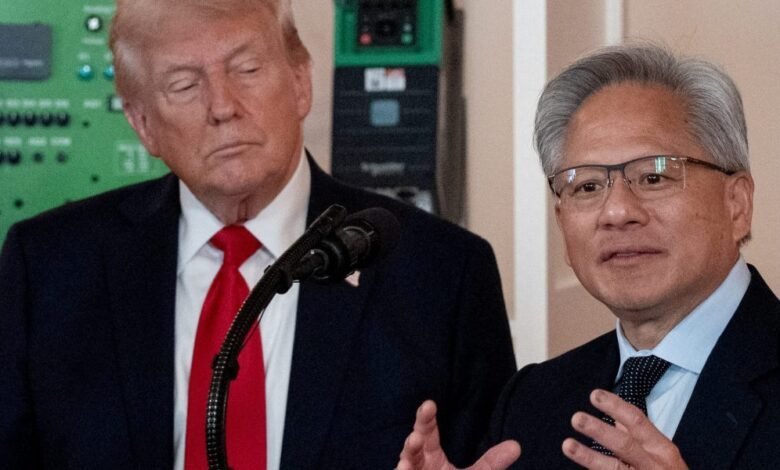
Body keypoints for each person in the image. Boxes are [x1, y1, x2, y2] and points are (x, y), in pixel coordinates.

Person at [0, 1, 516, 468]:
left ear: (300, 81)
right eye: (184, 84)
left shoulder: (443, 271)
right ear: (142, 124)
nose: (222, 106)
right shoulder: (47, 268)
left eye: (247, 69)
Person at [397, 43, 780, 469]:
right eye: (587, 186)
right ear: (562, 222)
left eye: (653, 177)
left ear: (737, 204)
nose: (616, 212)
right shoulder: (532, 401)